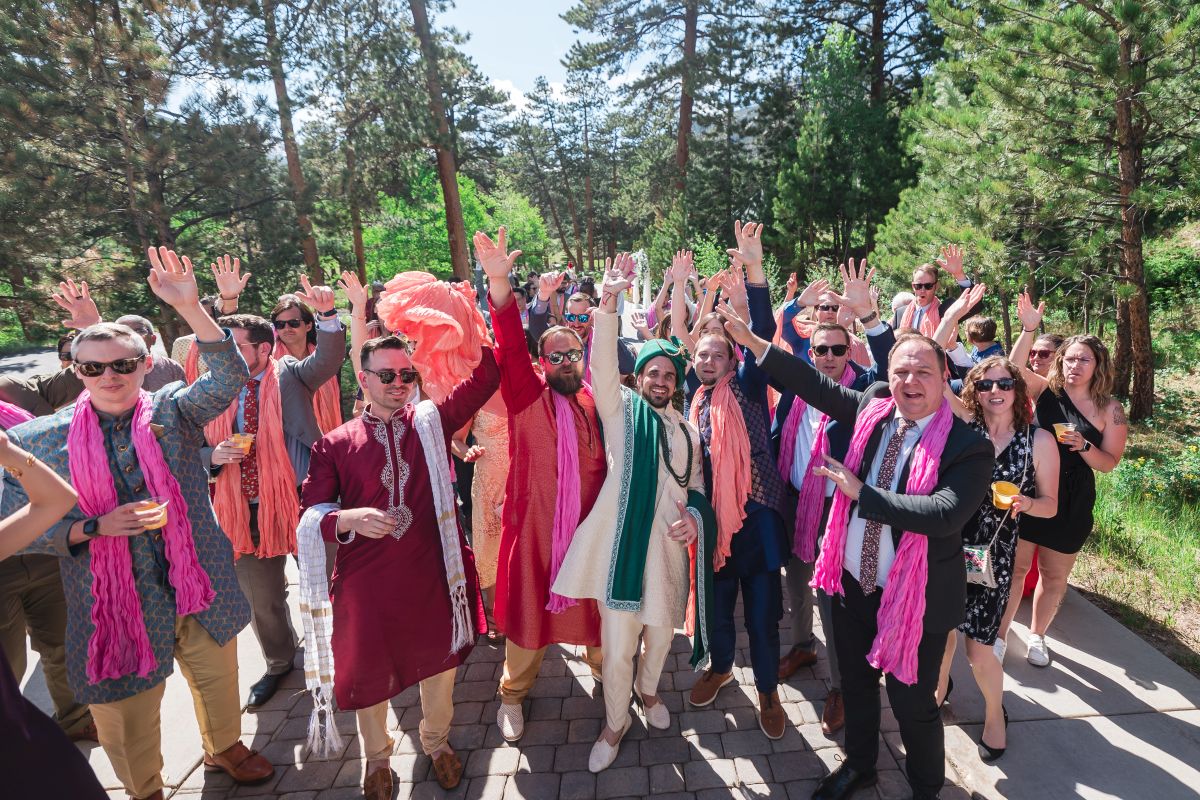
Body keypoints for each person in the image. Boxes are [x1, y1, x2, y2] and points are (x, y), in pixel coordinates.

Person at [1, 247, 271, 800]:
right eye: (93, 367)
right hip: (111, 602)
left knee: (219, 679)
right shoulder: (39, 439)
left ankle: (224, 747)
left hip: (199, 584)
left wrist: (192, 307)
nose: (110, 376)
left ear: (146, 364)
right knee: (125, 716)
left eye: (123, 364)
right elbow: (11, 513)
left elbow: (228, 376)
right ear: (76, 371)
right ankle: (144, 789)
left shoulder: (173, 410)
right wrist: (90, 528)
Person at [720, 304, 994, 800]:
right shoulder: (874, 405)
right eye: (901, 371)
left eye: (923, 372)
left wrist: (861, 492)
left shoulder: (967, 446)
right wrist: (756, 344)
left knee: (912, 704)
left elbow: (944, 514)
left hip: (916, 600)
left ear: (944, 378)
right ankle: (861, 766)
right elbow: (814, 384)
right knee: (856, 684)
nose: (910, 381)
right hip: (852, 585)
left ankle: (926, 788)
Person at [299, 332, 498, 797]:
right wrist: (348, 518)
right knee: (368, 671)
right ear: (363, 378)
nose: (399, 383)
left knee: (440, 664)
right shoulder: (335, 443)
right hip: (367, 584)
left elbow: (487, 376)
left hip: (431, 572)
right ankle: (378, 758)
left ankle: (437, 742)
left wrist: (467, 321)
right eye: (387, 375)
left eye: (407, 374)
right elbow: (310, 513)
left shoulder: (431, 421)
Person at [551, 257, 715, 772]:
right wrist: (608, 303)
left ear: (677, 382)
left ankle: (650, 692)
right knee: (618, 645)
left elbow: (697, 488)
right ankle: (614, 722)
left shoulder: (688, 433)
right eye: (652, 372)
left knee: (660, 638)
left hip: (667, 553)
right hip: (622, 550)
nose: (660, 380)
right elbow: (601, 366)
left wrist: (695, 518)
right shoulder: (621, 411)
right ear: (639, 376)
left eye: (669, 374)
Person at [476, 227, 604, 743]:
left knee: (598, 613)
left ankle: (611, 676)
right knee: (528, 622)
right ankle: (512, 694)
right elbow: (509, 345)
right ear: (541, 364)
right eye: (555, 356)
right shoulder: (528, 397)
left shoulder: (597, 401)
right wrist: (499, 284)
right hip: (536, 532)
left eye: (573, 353)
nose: (566, 361)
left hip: (588, 533)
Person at [204, 278, 346, 709]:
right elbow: (185, 444)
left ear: (264, 349)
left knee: (324, 585)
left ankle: (339, 654)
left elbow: (328, 359)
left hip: (302, 501)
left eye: (236, 348)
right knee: (262, 601)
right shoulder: (211, 388)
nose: (225, 357)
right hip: (241, 510)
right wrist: (213, 456)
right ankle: (280, 663)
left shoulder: (291, 375)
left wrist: (327, 316)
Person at [772, 261, 896, 737]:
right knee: (797, 582)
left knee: (832, 598)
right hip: (795, 500)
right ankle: (803, 646)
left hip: (838, 510)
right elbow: (766, 340)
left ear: (849, 350)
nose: (827, 357)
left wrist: (870, 318)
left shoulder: (864, 389)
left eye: (837, 349)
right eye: (820, 349)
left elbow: (889, 367)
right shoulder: (798, 383)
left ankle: (842, 686)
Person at [683, 221, 790, 740]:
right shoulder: (694, 397)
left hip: (758, 519)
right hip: (713, 524)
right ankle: (721, 667)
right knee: (719, 610)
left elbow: (763, 334)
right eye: (701, 354)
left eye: (717, 354)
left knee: (764, 618)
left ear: (731, 359)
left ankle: (768, 691)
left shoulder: (746, 385)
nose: (708, 360)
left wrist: (754, 271)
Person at [937, 357, 1059, 761]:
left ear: (1017, 389)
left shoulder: (1038, 441)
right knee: (942, 634)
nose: (995, 391)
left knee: (979, 650)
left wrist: (1027, 503)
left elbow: (1051, 505)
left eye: (1005, 384)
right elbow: (935, 370)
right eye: (986, 384)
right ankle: (938, 690)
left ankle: (994, 714)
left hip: (994, 556)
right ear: (974, 389)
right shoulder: (963, 427)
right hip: (948, 546)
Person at [1004, 321, 1127, 667]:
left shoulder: (1111, 409)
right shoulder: (1045, 391)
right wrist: (1029, 328)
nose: (1075, 365)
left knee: (1054, 575)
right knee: (1015, 569)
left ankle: (1037, 636)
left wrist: (1084, 445)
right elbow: (1012, 368)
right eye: (1070, 358)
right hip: (1031, 489)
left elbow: (1109, 463)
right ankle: (999, 635)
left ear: (1098, 365)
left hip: (1073, 498)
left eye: (1084, 360)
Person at [0, 429, 106, 800]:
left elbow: (58, 500)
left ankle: (76, 719)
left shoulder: (17, 419)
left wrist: (9, 452)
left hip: (37, 552)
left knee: (61, 644)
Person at [529, 272, 637, 378]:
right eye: (571, 317)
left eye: (583, 318)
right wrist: (543, 294)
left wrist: (604, 327)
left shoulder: (603, 339)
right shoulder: (560, 338)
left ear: (592, 318)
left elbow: (628, 366)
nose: (576, 323)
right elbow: (537, 330)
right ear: (565, 317)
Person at [271, 292, 344, 435]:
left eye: (294, 323)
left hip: (326, 434)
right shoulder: (269, 360)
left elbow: (332, 352)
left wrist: (327, 312)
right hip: (286, 439)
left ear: (309, 325)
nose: (287, 328)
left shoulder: (323, 358)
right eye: (280, 325)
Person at [172, 255, 248, 379]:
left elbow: (228, 316)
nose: (208, 320)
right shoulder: (182, 344)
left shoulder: (237, 340)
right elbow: (176, 380)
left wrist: (229, 297)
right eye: (203, 316)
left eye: (212, 316)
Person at [890, 245, 980, 337]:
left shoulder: (946, 310)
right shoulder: (901, 313)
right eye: (918, 286)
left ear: (936, 286)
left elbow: (975, 306)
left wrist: (959, 274)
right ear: (913, 286)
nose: (922, 290)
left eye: (928, 286)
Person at [115, 315, 187, 392]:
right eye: (123, 332)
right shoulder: (108, 369)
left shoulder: (172, 368)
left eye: (139, 331)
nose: (132, 336)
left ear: (153, 339)